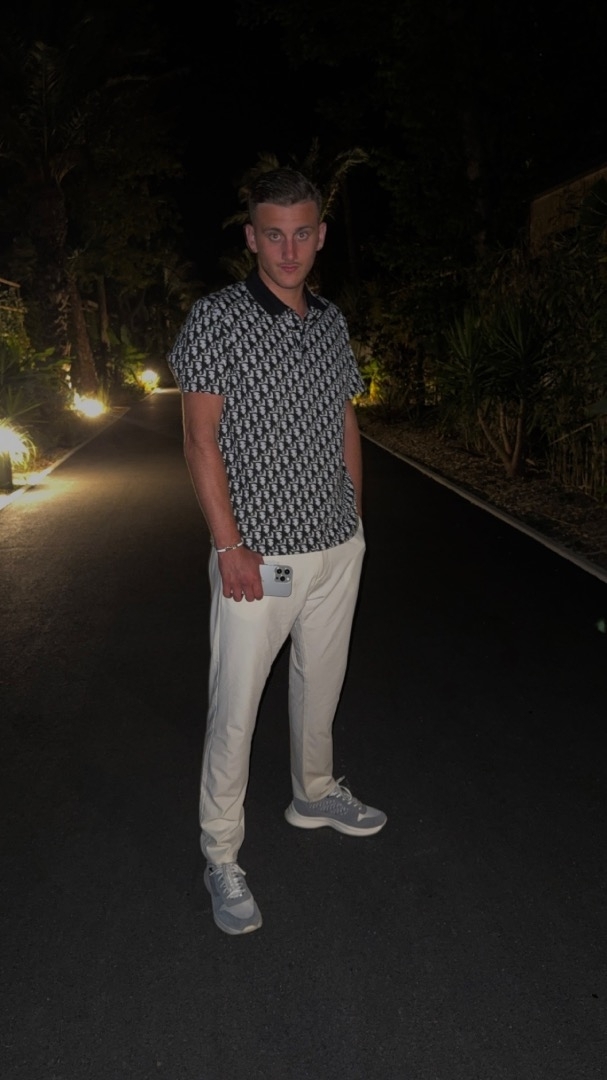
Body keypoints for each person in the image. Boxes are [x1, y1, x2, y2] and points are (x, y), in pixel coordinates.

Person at [168, 167, 386, 936]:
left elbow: (343, 419)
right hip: (257, 559)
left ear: (319, 236)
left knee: (320, 688)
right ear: (251, 237)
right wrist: (228, 545)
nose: (288, 250)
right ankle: (221, 854)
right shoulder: (217, 318)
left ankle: (313, 793)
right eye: (273, 234)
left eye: (301, 234)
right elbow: (199, 440)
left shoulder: (329, 321)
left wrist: (353, 521)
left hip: (334, 549)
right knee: (235, 713)